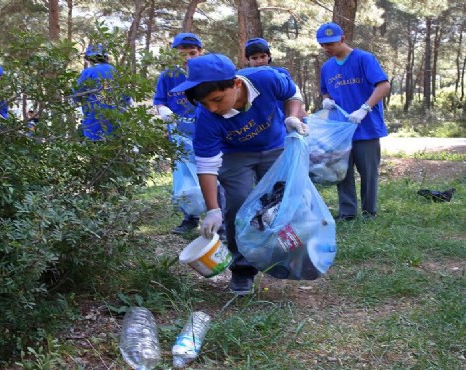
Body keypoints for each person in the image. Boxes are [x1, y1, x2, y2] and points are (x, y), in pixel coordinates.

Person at [171, 53, 308, 295]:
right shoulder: (206, 118)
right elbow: (207, 166)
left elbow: (292, 93)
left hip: (275, 146)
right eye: (205, 103)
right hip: (235, 155)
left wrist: (292, 117)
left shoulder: (265, 79)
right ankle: (242, 270)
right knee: (237, 205)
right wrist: (213, 209)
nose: (212, 108)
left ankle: (292, 256)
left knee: (280, 202)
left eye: (217, 99)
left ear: (236, 84)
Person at [316, 22, 391, 221]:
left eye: (330, 43)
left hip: (365, 127)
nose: (326, 48)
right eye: (323, 45)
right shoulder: (327, 67)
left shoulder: (364, 59)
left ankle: (369, 212)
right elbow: (326, 90)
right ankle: (347, 213)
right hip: (340, 130)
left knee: (368, 172)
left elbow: (383, 86)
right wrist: (326, 100)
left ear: (342, 38)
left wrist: (364, 108)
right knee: (343, 171)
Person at [153, 33, 225, 235]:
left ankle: (222, 221)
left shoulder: (208, 72)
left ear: (201, 52)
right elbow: (159, 100)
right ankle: (190, 217)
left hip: (206, 132)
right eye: (181, 54)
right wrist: (163, 111)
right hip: (179, 135)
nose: (187, 59)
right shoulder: (168, 76)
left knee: (214, 174)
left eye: (192, 53)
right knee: (185, 176)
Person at [73, 44, 128, 141]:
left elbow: (76, 95)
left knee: (95, 153)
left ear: (88, 59)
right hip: (116, 127)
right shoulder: (116, 72)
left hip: (94, 126)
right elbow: (126, 98)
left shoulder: (88, 72)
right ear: (106, 57)